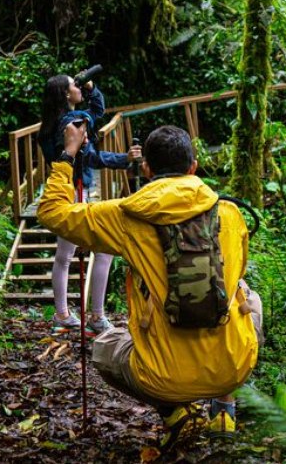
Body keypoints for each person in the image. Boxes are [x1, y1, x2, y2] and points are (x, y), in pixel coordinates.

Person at [38, 124, 263, 448]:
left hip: (162, 375)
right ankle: (224, 409)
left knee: (103, 348)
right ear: (193, 167)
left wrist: (67, 155)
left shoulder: (125, 217)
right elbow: (235, 274)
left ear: (146, 168)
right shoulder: (229, 213)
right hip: (232, 366)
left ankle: (174, 411)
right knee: (247, 297)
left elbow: (52, 213)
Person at [37, 73, 139, 336]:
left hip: (60, 190)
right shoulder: (75, 121)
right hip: (75, 194)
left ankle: (63, 315)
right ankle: (96, 316)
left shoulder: (47, 128)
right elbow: (97, 116)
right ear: (65, 94)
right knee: (103, 250)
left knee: (63, 258)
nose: (78, 87)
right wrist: (123, 159)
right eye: (74, 85)